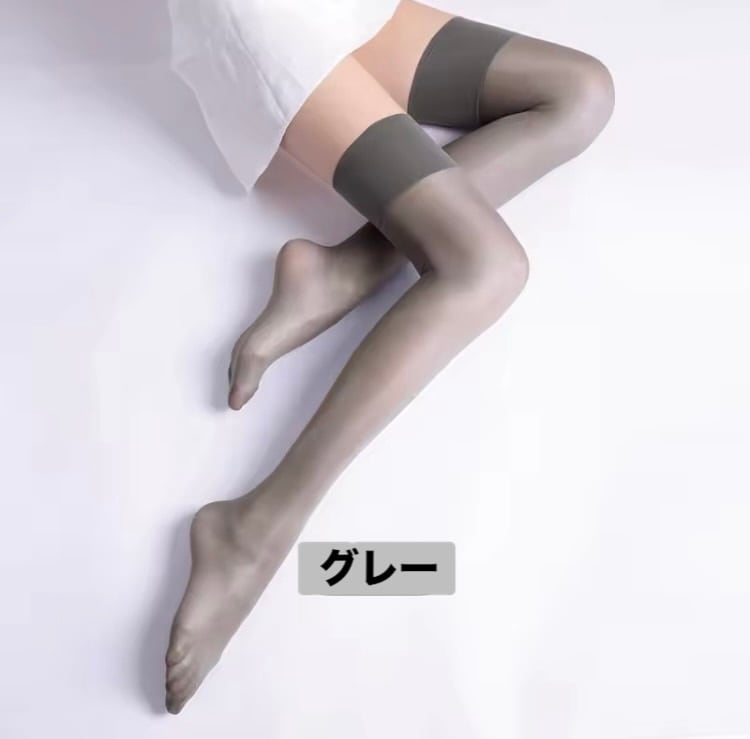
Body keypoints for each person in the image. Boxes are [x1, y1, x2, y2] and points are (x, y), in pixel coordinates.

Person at [164, 0, 615, 714]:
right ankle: (252, 529)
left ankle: (341, 271)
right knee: (485, 267)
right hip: (262, 20)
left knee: (580, 92)